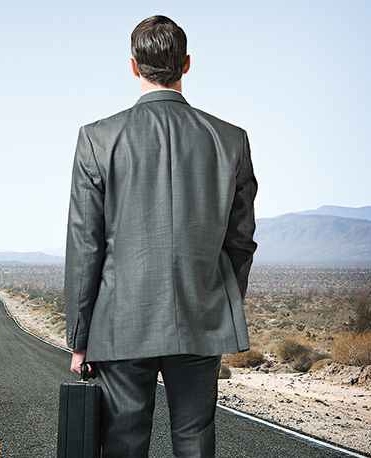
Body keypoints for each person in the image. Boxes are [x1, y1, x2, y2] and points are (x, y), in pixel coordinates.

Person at [64, 15, 257, 458]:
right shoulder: (231, 140)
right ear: (186, 65)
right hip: (201, 317)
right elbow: (241, 240)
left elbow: (85, 245)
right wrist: (219, 302)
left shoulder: (97, 139)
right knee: (194, 442)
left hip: (121, 322)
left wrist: (79, 338)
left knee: (123, 445)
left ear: (134, 67)